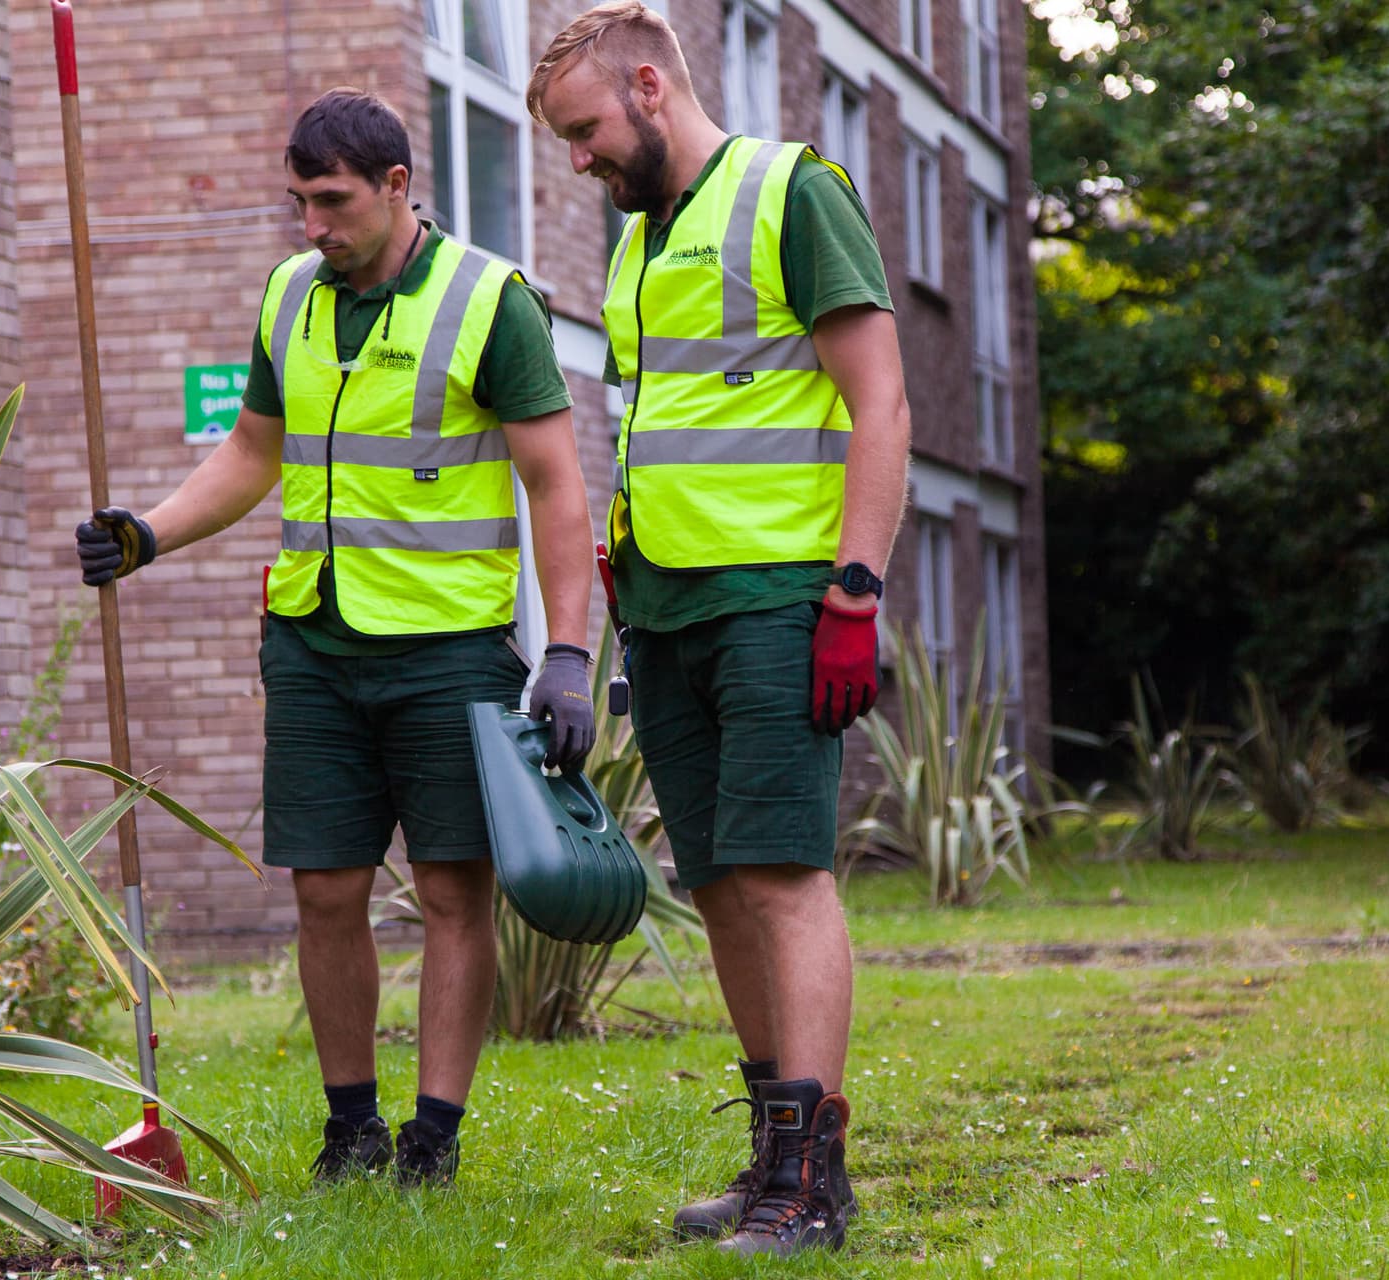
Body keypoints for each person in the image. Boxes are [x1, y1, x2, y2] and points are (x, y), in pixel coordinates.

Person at [75, 88, 596, 1188]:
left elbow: (555, 481)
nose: (311, 223)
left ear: (397, 186)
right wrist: (147, 533)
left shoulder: (489, 300)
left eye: (332, 200)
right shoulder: (289, 296)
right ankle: (351, 1125)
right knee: (324, 887)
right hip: (313, 641)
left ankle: (434, 1137)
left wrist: (567, 651)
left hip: (452, 648)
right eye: (299, 200)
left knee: (454, 890)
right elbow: (252, 451)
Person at [528, 3, 911, 1258]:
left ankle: (817, 1184)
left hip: (781, 599)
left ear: (649, 86)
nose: (579, 160)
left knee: (786, 871)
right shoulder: (639, 242)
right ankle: (771, 1165)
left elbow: (881, 400)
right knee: (721, 880)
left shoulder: (791, 193)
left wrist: (855, 590)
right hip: (671, 606)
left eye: (584, 131)